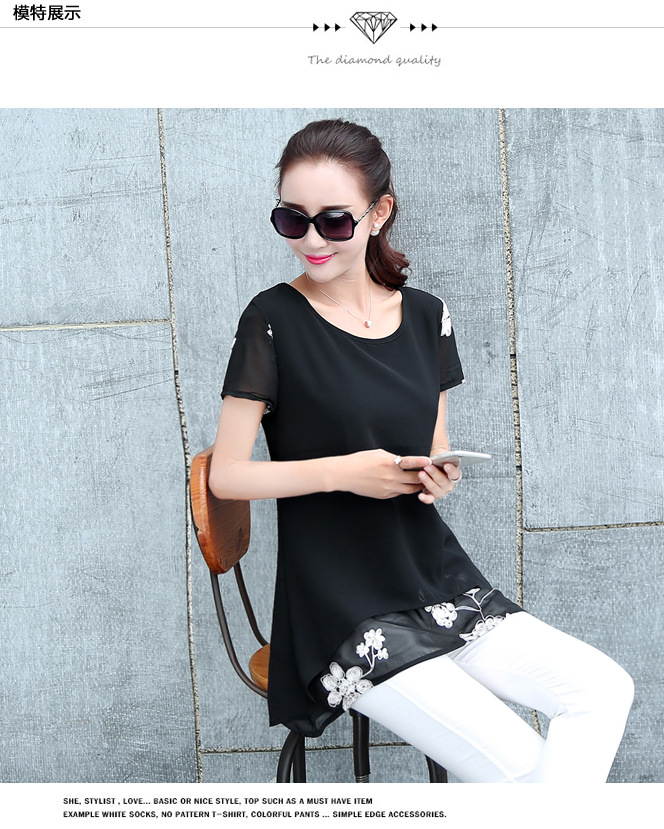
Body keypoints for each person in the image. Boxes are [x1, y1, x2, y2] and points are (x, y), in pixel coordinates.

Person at [209, 118, 634, 783]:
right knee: (522, 766)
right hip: (339, 607)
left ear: (379, 213)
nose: (311, 240)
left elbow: (432, 446)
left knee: (603, 690)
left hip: (435, 581)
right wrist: (346, 472)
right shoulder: (271, 320)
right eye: (292, 220)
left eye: (334, 221)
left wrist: (437, 475)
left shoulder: (428, 317)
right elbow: (227, 475)